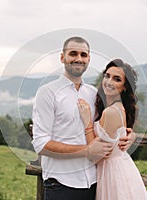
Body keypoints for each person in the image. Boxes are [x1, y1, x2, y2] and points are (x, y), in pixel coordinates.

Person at [31, 37, 135, 200]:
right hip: (62, 183)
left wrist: (128, 134)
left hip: (95, 182)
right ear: (62, 57)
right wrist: (86, 151)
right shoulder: (47, 93)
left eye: (83, 55)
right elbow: (41, 144)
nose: (78, 58)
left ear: (88, 59)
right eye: (73, 53)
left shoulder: (93, 93)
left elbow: (107, 126)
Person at [78, 58, 147, 200]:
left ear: (124, 87)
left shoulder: (110, 113)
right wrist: (132, 135)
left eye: (117, 79)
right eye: (107, 76)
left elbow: (95, 155)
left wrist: (87, 122)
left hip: (113, 174)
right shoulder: (112, 107)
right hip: (117, 168)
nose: (109, 82)